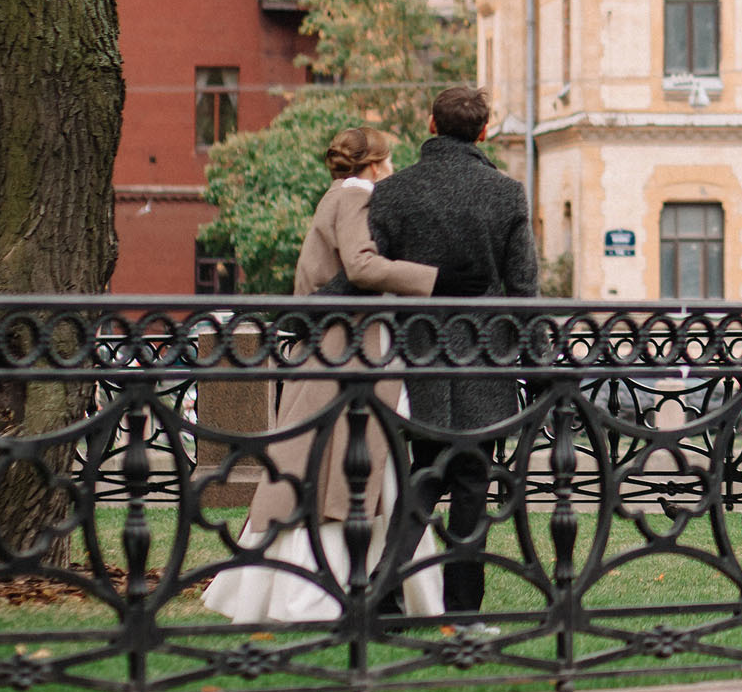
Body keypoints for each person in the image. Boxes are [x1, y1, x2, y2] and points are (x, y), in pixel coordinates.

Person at [202, 128, 444, 624]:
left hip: (332, 349)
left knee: (323, 470)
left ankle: (336, 588)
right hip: (351, 353)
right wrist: (430, 279)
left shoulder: (333, 196)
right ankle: (343, 592)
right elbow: (360, 266)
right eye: (390, 160)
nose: (393, 169)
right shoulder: (357, 196)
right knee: (349, 472)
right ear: (375, 164)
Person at [369, 84, 537, 613]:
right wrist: (538, 362)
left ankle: (384, 597)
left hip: (415, 359)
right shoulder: (506, 193)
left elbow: (373, 275)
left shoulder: (393, 193)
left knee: (422, 477)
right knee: (471, 486)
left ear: (431, 124)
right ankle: (464, 609)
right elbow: (523, 291)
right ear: (484, 131)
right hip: (484, 363)